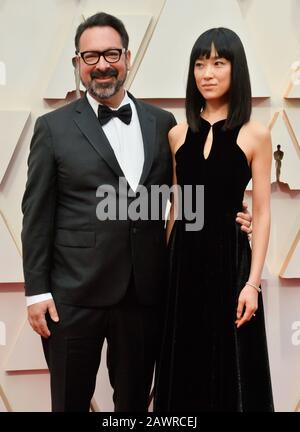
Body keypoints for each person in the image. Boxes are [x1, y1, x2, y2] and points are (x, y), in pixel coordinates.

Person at [21, 14, 252, 412]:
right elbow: (36, 214)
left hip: (144, 295)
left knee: (135, 406)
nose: (102, 65)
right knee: (69, 403)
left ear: (127, 57)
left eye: (111, 53)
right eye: (90, 56)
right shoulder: (52, 128)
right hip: (73, 297)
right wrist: (37, 292)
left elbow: (187, 193)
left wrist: (231, 215)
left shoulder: (163, 124)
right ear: (77, 63)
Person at [154, 27, 274, 412]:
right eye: (200, 64)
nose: (207, 73)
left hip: (230, 264)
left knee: (234, 372)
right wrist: (164, 271)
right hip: (183, 264)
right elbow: (176, 208)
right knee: (183, 366)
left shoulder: (256, 135)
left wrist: (252, 285)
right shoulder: (176, 134)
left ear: (236, 71)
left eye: (218, 63)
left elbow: (262, 213)